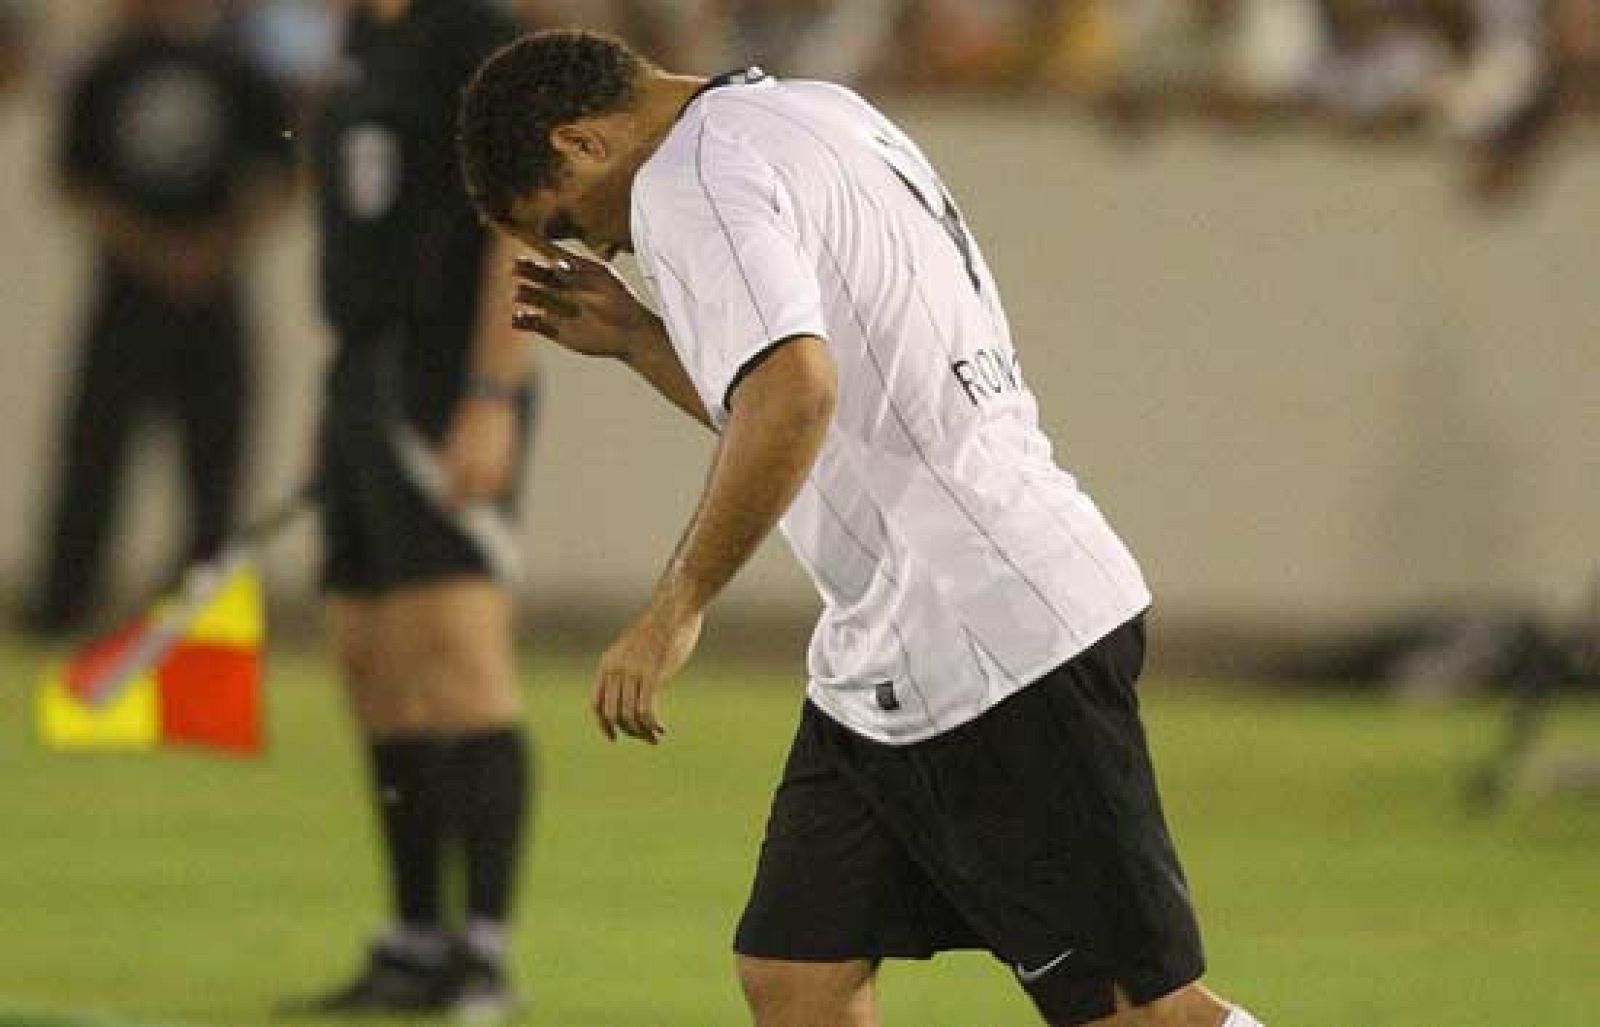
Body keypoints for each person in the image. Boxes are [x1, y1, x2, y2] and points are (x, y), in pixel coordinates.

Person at [458, 29, 1267, 1027]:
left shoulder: (688, 182)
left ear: (580, 141)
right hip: (893, 645)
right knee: (795, 973)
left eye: (569, 222)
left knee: (1139, 1012)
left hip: (987, 634)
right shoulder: (815, 113)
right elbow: (791, 401)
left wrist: (676, 607)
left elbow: (797, 394)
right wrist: (638, 337)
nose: (598, 247)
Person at [280, 0, 534, 1017]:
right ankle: (414, 937)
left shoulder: (473, 39)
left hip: (442, 381)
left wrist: (491, 396)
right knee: (371, 662)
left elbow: (517, 225)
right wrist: (334, 407)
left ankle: (484, 953)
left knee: (459, 662)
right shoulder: (360, 46)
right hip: (362, 378)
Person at [23, 0, 293, 638]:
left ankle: (197, 619)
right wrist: (148, 248)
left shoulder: (239, 66)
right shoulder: (109, 68)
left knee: (216, 467)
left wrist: (213, 248)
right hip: (124, 294)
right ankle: (61, 607)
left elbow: (282, 172)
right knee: (93, 457)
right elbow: (71, 179)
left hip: (216, 295)